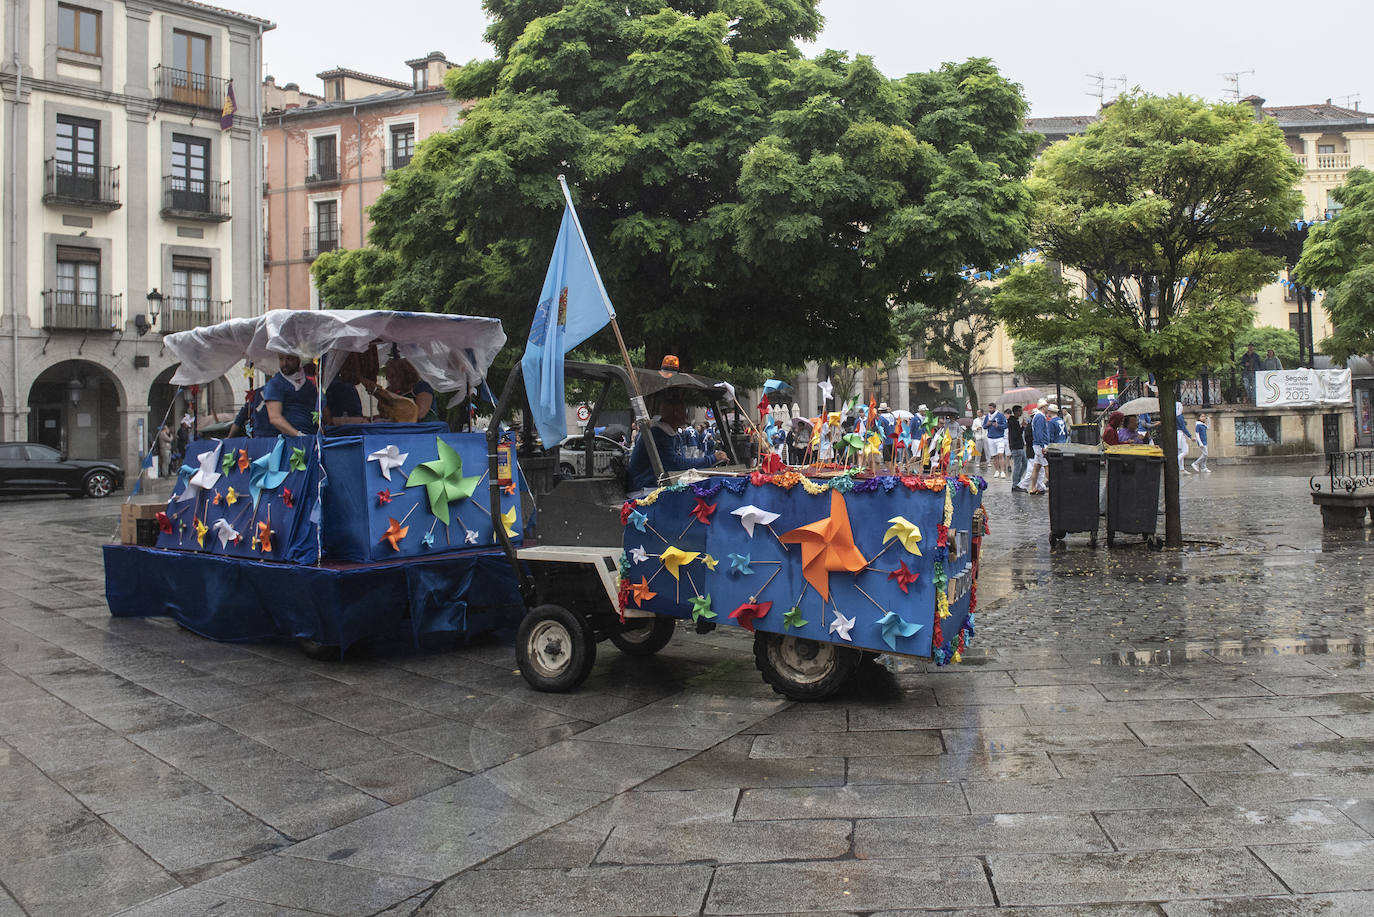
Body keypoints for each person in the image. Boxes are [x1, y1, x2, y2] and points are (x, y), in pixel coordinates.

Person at [626, 391, 728, 494]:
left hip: (658, 485)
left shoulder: (673, 434)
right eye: (684, 411)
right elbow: (677, 464)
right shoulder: (658, 434)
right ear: (676, 413)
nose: (686, 415)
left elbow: (680, 462)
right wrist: (712, 458)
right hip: (644, 490)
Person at [261, 354, 324, 438]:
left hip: (313, 437)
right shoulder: (275, 384)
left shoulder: (309, 384)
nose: (284, 363)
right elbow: (275, 418)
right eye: (281, 359)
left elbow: (321, 410)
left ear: (298, 358)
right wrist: (298, 435)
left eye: (289, 359)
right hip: (292, 441)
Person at [366, 358, 438, 424]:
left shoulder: (422, 386)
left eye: (392, 376)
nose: (388, 379)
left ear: (405, 375)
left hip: (427, 431)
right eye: (387, 376)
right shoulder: (397, 392)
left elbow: (420, 414)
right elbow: (390, 415)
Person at [1018, 400, 1050, 494]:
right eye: (1046, 406)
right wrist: (1043, 446)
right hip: (1040, 445)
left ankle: (1033, 487)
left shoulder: (1038, 416)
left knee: (1036, 467)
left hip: (1037, 445)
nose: (1047, 408)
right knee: (1046, 466)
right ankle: (1054, 486)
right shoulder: (1040, 417)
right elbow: (1039, 432)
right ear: (1043, 407)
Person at [983, 402, 1008, 478]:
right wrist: (987, 425)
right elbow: (984, 426)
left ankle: (1003, 471)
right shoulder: (987, 416)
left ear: (994, 408)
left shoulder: (1000, 416)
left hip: (999, 438)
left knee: (1000, 454)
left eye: (991, 408)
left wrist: (998, 425)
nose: (989, 410)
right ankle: (997, 470)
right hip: (990, 438)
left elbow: (1005, 425)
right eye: (989, 408)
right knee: (994, 456)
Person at [1007, 404, 1027, 490]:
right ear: (1016, 412)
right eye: (1020, 411)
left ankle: (1018, 481)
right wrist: (1022, 427)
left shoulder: (1015, 420)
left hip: (1019, 447)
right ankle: (1015, 485)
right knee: (1017, 466)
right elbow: (1016, 435)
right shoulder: (1013, 422)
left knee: (1025, 464)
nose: (1021, 412)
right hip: (1016, 447)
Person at [1175, 400, 1194, 474]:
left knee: (1180, 451)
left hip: (1177, 433)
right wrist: (1190, 436)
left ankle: (1182, 469)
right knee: (1185, 451)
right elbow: (1183, 427)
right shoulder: (1179, 416)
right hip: (1180, 434)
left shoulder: (1175, 416)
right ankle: (1175, 462)